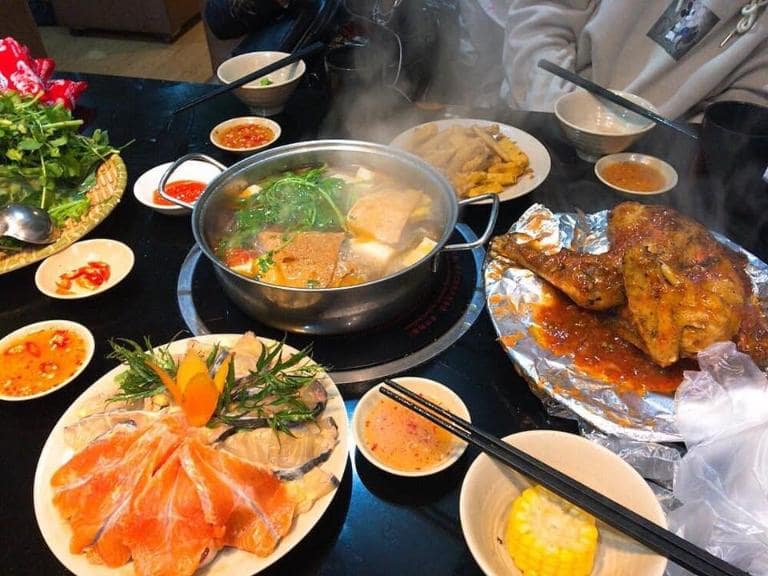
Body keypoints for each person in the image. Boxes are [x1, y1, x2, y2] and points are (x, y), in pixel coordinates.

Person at [461, 0, 768, 120]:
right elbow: (539, 23)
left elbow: (738, 118)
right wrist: (559, 115)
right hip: (543, 117)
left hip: (660, 160)